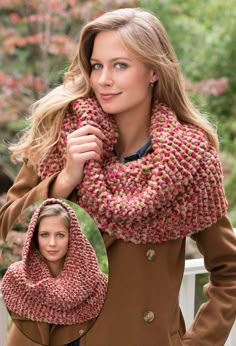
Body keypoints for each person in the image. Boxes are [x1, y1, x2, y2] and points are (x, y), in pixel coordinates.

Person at [0, 6, 235, 346]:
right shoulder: (61, 135)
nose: (103, 80)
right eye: (97, 66)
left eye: (120, 66)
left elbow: (229, 270)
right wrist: (65, 180)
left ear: (153, 71)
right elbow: (8, 234)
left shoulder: (188, 160)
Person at [1, 198, 108, 346]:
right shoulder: (18, 280)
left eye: (60, 235)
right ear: (35, 237)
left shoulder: (98, 285)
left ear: (72, 238)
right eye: (45, 235)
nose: (52, 243)